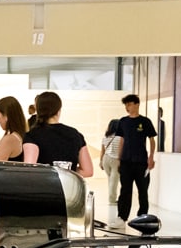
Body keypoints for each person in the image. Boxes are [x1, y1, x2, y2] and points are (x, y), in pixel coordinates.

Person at [106, 92, 159, 221]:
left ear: (137, 104)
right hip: (126, 162)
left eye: (129, 104)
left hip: (141, 162)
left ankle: (142, 216)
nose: (127, 107)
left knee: (142, 191)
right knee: (125, 191)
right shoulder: (123, 122)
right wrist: (118, 159)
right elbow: (121, 140)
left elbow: (152, 140)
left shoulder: (145, 121)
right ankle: (122, 217)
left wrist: (151, 157)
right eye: (126, 105)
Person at [22, 91, 93, 175]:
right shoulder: (75, 134)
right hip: (69, 186)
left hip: (45, 186)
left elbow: (29, 170)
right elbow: (88, 171)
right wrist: (66, 171)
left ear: (38, 110)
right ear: (58, 110)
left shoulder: (32, 135)